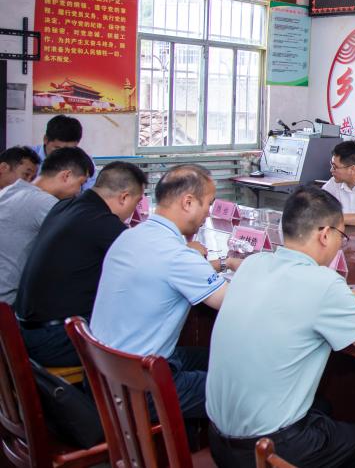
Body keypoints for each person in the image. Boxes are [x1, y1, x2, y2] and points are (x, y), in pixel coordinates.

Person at [206, 186, 355, 468]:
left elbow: (286, 294)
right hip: (269, 450)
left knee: (324, 409)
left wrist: (348, 296)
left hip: (219, 442)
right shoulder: (325, 285)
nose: (340, 244)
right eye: (341, 236)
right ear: (325, 235)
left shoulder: (253, 264)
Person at [90, 164, 241, 419]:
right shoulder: (176, 256)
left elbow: (178, 271)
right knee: (245, 390)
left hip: (106, 372)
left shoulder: (131, 236)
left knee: (218, 357)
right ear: (188, 202)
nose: (208, 212)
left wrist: (225, 263)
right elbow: (237, 304)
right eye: (208, 204)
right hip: (141, 386)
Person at [14, 161, 146, 366]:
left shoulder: (63, 206)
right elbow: (148, 264)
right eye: (136, 203)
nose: (133, 210)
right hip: (55, 340)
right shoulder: (103, 222)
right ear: (124, 197)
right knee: (142, 335)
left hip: (25, 331)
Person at [0, 146, 94, 303]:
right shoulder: (44, 202)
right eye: (81, 184)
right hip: (8, 302)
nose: (78, 192)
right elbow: (83, 240)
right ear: (66, 176)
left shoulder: (11, 191)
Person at [32, 114, 98, 191]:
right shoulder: (26, 157)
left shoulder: (85, 163)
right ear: (45, 139)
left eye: (68, 151)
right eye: (57, 149)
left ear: (77, 144)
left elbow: (88, 192)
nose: (62, 156)